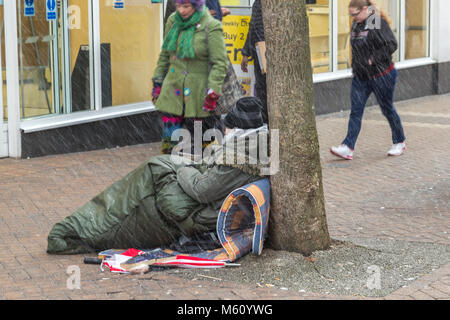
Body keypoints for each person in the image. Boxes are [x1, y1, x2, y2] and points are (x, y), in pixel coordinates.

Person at [47, 99, 268, 255]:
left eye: (228, 127)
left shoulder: (239, 157)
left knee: (154, 169)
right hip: (200, 205)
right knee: (155, 167)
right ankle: (79, 228)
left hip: (196, 212)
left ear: (238, 129)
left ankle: (77, 231)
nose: (224, 131)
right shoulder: (250, 148)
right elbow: (210, 177)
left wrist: (182, 168)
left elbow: (202, 190)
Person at [330, 0, 406, 160]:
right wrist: (356, 68)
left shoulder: (375, 21)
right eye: (350, 15)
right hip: (361, 77)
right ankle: (348, 147)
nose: (353, 17)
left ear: (365, 9)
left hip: (382, 75)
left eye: (355, 14)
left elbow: (391, 44)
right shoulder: (356, 24)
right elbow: (357, 50)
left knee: (387, 109)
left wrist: (373, 60)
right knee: (356, 111)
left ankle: (399, 141)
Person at [153, 0, 228, 155]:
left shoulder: (211, 25)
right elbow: (165, 53)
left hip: (199, 94)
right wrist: (158, 81)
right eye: (178, 6)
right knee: (170, 146)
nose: (181, 10)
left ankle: (195, 172)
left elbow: (220, 63)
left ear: (196, 6)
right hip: (173, 92)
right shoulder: (173, 20)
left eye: (186, 6)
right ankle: (168, 173)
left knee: (197, 147)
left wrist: (213, 90)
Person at [241, 0, 268, 124]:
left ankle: (266, 121)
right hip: (262, 51)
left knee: (263, 88)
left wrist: (246, 53)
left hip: (263, 51)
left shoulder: (260, 3)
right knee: (264, 88)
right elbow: (254, 28)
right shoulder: (259, 3)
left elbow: (254, 29)